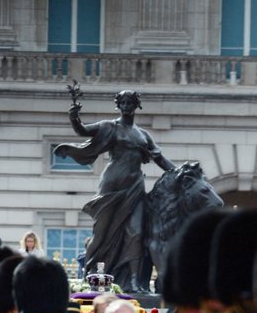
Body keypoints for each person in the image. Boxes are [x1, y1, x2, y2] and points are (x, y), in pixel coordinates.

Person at [54, 90, 176, 292]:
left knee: (136, 232)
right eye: (123, 103)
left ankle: (135, 281)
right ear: (118, 105)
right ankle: (88, 275)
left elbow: (161, 160)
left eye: (130, 102)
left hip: (135, 187)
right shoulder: (109, 126)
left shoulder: (143, 135)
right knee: (102, 233)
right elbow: (83, 131)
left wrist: (181, 172)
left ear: (137, 105)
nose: (127, 106)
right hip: (112, 185)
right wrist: (74, 117)